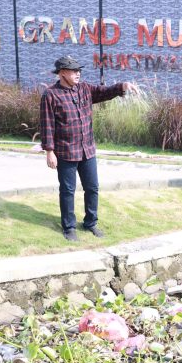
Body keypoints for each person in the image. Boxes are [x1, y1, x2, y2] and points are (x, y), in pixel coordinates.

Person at [40, 55, 136, 241]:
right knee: (67, 191)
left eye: (79, 70)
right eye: (74, 71)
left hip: (87, 150)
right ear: (62, 73)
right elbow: (47, 125)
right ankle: (69, 227)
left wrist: (122, 86)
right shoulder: (50, 95)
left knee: (92, 188)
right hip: (66, 152)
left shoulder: (84, 89)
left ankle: (90, 223)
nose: (78, 73)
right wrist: (49, 152)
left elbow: (104, 92)